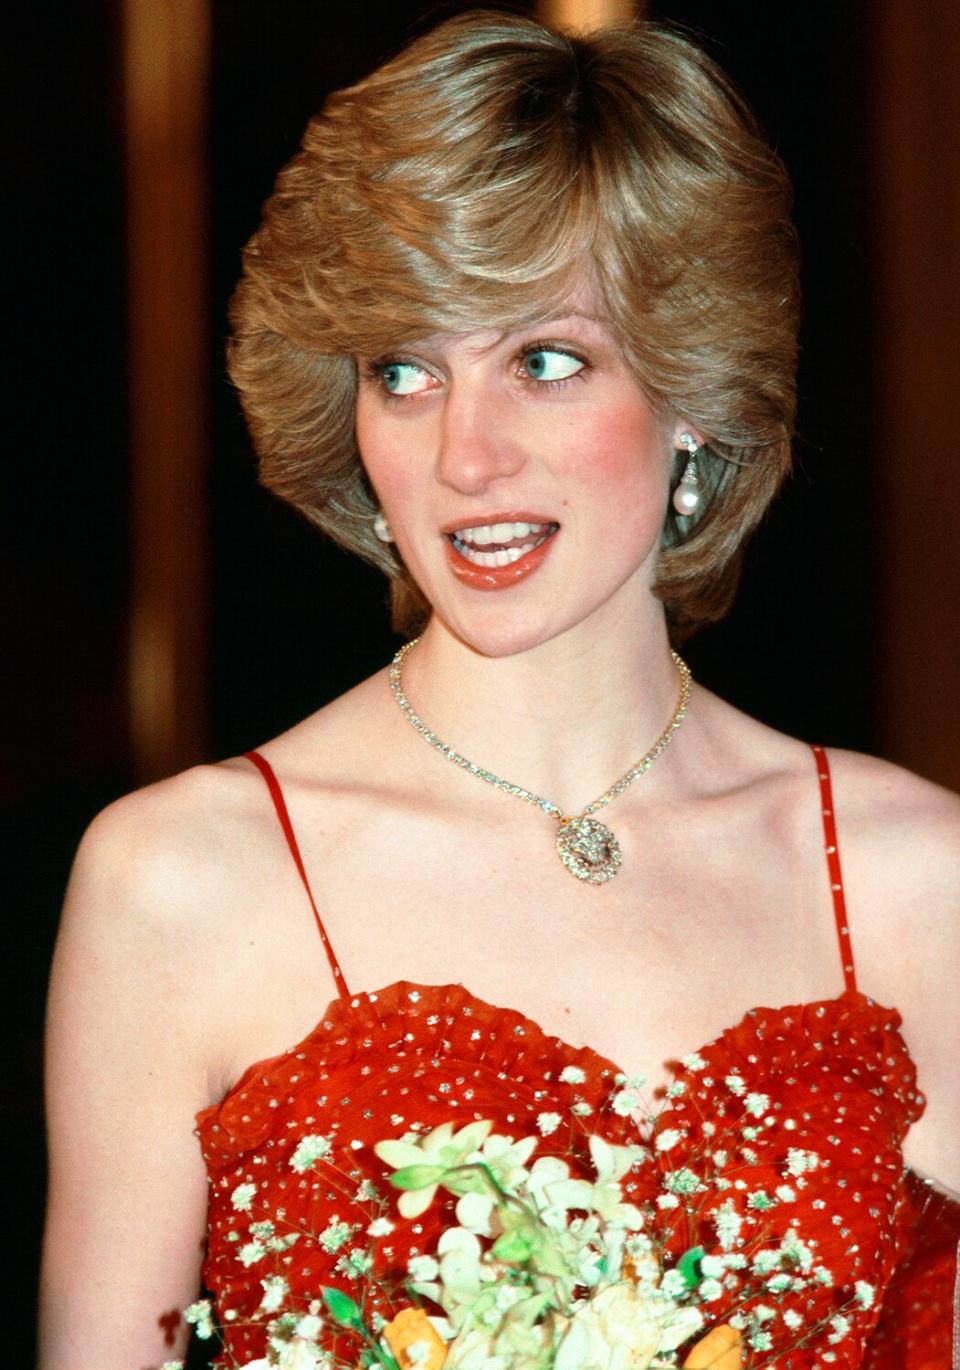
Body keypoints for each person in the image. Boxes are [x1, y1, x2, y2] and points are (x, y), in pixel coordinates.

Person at [40, 11, 959, 1370]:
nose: (465, 457)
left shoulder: (913, 879)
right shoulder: (180, 881)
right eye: (405, 372)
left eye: (542, 360)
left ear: (693, 386)